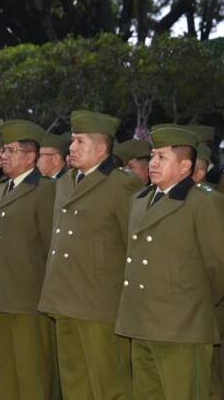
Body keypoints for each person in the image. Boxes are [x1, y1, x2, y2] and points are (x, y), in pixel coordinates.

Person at [115, 124, 224, 400]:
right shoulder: (140, 200)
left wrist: (193, 302)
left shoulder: (205, 203)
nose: (153, 163)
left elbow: (223, 268)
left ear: (185, 166)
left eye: (162, 158)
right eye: (153, 156)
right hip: (140, 323)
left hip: (182, 327)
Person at [38, 110, 141, 400]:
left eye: (80, 142)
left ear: (101, 148)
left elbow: (132, 244)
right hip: (64, 296)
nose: (71, 148)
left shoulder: (122, 184)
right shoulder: (66, 182)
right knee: (74, 381)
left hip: (100, 302)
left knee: (109, 383)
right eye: (72, 141)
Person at [0, 120, 60, 400]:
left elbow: (51, 247)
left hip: (28, 298)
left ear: (30, 157)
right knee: (6, 372)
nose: (5, 156)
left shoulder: (45, 190)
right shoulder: (1, 189)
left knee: (31, 373)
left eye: (11, 151)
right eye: (4, 151)